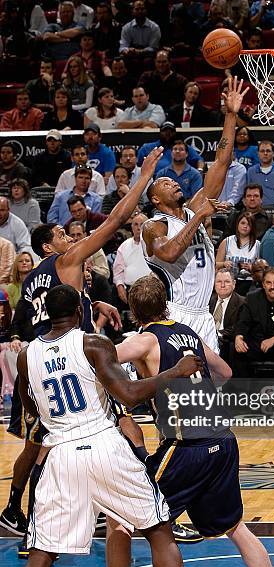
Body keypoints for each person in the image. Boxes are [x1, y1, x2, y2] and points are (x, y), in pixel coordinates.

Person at [0, 148, 162, 542]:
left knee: (42, 439)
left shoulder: (38, 276)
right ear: (46, 247)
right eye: (59, 235)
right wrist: (142, 177)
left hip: (38, 361)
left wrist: (94, 301)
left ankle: (12, 508)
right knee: (118, 425)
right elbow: (118, 218)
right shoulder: (68, 260)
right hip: (74, 357)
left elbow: (41, 313)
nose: (68, 235)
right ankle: (141, 498)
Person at [14, 284, 201, 567]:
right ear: (78, 312)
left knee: (41, 554)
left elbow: (30, 406)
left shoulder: (26, 356)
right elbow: (129, 394)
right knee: (158, 529)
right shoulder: (93, 344)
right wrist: (176, 371)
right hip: (103, 443)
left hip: (61, 454)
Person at [116, 275, 274, 567]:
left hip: (187, 446)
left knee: (128, 518)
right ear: (165, 302)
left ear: (133, 311)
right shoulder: (189, 333)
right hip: (223, 440)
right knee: (235, 528)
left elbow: (104, 357)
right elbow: (226, 372)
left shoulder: (144, 341)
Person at [141, 77, 248, 352]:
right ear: (155, 199)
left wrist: (231, 115)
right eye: (165, 183)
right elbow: (168, 254)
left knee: (211, 386)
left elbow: (222, 162)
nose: (174, 182)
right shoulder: (154, 225)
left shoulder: (195, 205)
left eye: (173, 181)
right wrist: (200, 217)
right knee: (178, 387)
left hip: (204, 313)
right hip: (174, 314)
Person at [233, 266, 274, 378]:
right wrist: (238, 337)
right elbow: (243, 321)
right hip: (258, 344)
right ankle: (241, 391)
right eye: (268, 283)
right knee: (236, 347)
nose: (272, 287)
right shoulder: (252, 297)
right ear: (263, 284)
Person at [136, 120, 205, 175]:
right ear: (159, 132)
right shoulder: (147, 148)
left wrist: (200, 171)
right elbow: (137, 167)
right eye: (164, 131)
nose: (167, 133)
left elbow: (200, 160)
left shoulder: (182, 148)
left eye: (171, 131)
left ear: (175, 133)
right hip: (152, 179)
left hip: (179, 179)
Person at [113, 212, 150, 306]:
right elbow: (118, 272)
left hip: (151, 289)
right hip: (130, 290)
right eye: (136, 224)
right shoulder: (124, 246)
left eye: (142, 224)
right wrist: (120, 286)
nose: (138, 228)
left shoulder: (154, 244)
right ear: (131, 227)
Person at [209, 268, 245, 361]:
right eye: (219, 281)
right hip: (207, 338)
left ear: (234, 284)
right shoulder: (208, 301)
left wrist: (216, 335)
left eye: (227, 282)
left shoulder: (242, 302)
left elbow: (237, 327)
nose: (222, 285)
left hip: (226, 342)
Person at [216, 211, 260, 279]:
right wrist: (224, 264)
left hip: (249, 283)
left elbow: (261, 270)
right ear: (238, 224)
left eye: (249, 224)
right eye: (243, 223)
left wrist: (252, 268)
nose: (245, 226)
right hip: (228, 281)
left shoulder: (257, 245)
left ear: (252, 227)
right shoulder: (227, 241)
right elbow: (215, 265)